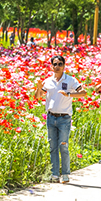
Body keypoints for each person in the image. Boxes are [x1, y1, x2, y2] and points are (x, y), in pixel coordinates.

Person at [33, 55, 86, 183]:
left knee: (63, 146)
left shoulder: (70, 80)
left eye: (60, 64)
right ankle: (55, 174)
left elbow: (83, 92)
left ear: (64, 66)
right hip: (51, 117)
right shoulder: (48, 81)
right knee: (53, 147)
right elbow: (37, 97)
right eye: (55, 64)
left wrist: (68, 94)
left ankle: (66, 174)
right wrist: (39, 87)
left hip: (64, 119)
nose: (57, 67)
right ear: (52, 66)